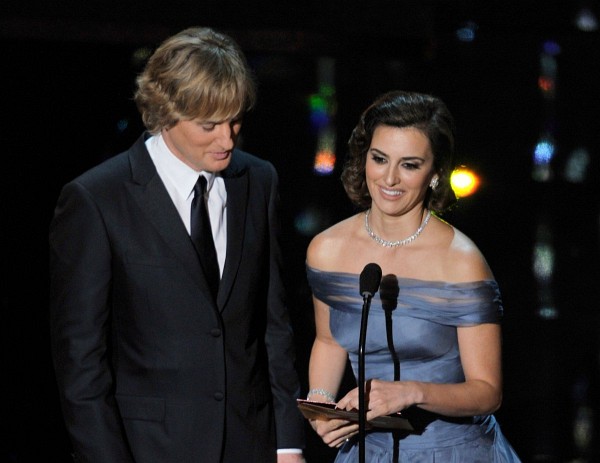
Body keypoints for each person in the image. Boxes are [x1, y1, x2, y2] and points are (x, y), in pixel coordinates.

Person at [49, 27, 305, 463]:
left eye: (236, 120)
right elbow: (81, 363)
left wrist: (287, 443)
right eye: (209, 125)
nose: (227, 140)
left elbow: (273, 325)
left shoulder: (258, 180)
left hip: (252, 445)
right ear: (165, 112)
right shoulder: (97, 198)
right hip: (149, 449)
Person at [304, 90, 521, 461]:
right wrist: (321, 404)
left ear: (435, 173)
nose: (389, 178)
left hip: (452, 452)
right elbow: (328, 341)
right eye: (379, 159)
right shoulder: (327, 249)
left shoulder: (461, 261)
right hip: (365, 451)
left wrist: (412, 392)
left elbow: (488, 392)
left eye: (409, 164)